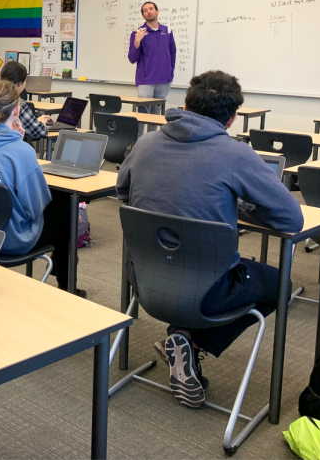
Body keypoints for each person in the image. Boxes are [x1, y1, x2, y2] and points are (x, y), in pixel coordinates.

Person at [116, 70, 304, 409]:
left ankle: (183, 337)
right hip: (208, 295)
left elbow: (123, 192)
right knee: (281, 284)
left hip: (144, 284)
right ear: (232, 119)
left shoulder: (145, 143)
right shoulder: (236, 155)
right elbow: (290, 218)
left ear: (185, 104)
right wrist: (238, 206)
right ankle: (192, 337)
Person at [0, 81, 81, 295]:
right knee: (66, 205)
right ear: (17, 110)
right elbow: (35, 208)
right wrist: (20, 147)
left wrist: (18, 143)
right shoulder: (20, 151)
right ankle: (66, 287)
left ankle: (62, 275)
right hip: (11, 240)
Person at [128, 1, 176, 133]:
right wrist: (137, 40)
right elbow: (132, 58)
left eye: (151, 9)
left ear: (157, 11)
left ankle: (151, 143)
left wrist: (170, 73)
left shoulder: (167, 31)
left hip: (164, 79)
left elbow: (172, 53)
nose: (149, 12)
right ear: (143, 15)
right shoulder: (138, 32)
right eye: (145, 10)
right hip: (146, 80)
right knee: (143, 113)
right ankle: (137, 143)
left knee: (156, 114)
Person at [0, 60, 52, 141]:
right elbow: (39, 131)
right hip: (5, 148)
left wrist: (36, 121)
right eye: (25, 80)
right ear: (19, 83)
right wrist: (43, 124)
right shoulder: (17, 103)